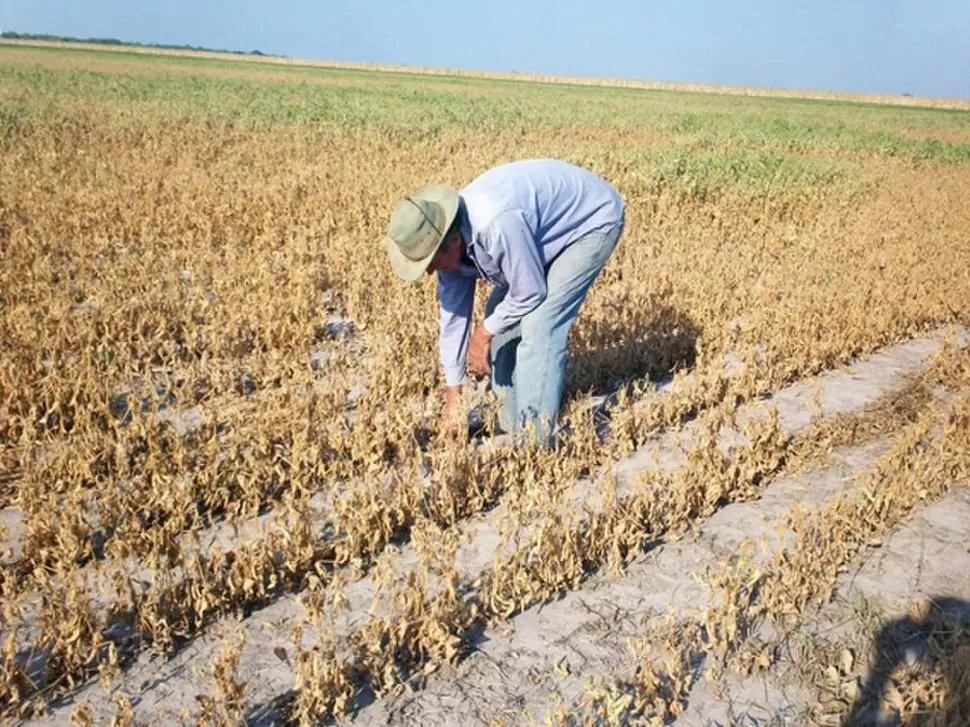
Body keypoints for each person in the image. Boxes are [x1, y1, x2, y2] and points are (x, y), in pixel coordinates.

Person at [384, 159, 625, 448]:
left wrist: (484, 333)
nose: (431, 272)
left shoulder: (495, 224)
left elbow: (530, 292)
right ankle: (511, 422)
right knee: (499, 314)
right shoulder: (449, 246)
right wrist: (454, 400)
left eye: (431, 262)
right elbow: (453, 322)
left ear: (455, 241)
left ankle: (534, 444)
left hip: (591, 221)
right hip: (538, 233)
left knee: (541, 324)